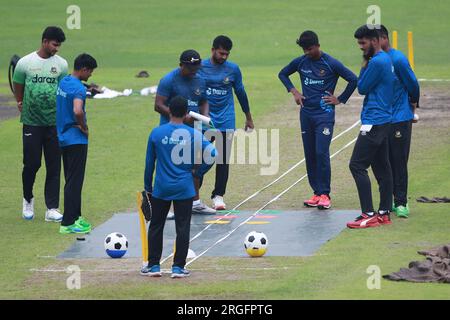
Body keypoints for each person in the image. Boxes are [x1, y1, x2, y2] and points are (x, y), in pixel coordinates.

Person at [278, 30, 357, 210]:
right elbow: (282, 74)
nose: (307, 53)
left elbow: (353, 79)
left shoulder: (330, 63)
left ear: (318, 46)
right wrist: (294, 91)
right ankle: (316, 192)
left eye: (310, 49)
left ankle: (325, 194)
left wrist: (340, 99)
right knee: (310, 153)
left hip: (324, 115)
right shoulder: (301, 62)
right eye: (305, 50)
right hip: (306, 114)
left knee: (321, 152)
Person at [141, 96, 216, 278]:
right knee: (182, 227)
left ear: (169, 111)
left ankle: (153, 266)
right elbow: (213, 152)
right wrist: (197, 173)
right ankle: (178, 268)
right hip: (184, 187)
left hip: (161, 187)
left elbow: (149, 164)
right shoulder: (193, 134)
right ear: (185, 114)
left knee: (156, 226)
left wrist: (147, 187)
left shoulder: (156, 133)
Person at [13, 26, 68, 221]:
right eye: (54, 44)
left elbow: (62, 90)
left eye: (59, 45)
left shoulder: (61, 65)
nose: (56, 49)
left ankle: (51, 208)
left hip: (53, 122)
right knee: (32, 164)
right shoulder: (25, 63)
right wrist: (20, 101)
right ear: (45, 41)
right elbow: (18, 83)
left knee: (54, 165)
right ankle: (28, 199)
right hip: (31, 122)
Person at [155, 49, 216, 215]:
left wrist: (205, 115)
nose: (193, 71)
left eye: (196, 68)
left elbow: (203, 101)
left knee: (201, 160)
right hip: (172, 131)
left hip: (194, 131)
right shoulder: (168, 80)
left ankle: (195, 202)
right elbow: (158, 105)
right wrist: (179, 117)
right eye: (190, 68)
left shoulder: (199, 80)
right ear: (181, 65)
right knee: (173, 167)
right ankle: (168, 207)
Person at [198, 35, 254, 210]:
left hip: (226, 119)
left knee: (223, 160)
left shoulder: (233, 69)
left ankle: (218, 196)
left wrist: (248, 117)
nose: (224, 57)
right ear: (213, 50)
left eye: (226, 54)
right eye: (221, 53)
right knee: (199, 159)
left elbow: (241, 93)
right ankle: (193, 197)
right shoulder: (200, 67)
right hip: (205, 119)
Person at [346, 25, 395, 229]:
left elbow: (362, 87)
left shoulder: (376, 62)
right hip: (383, 120)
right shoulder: (386, 59)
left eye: (363, 43)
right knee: (382, 166)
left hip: (374, 120)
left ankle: (368, 213)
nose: (360, 47)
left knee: (356, 165)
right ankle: (384, 213)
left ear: (374, 41)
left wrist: (365, 63)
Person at [379, 25, 420, 218]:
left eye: (375, 40)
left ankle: (401, 202)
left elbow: (413, 85)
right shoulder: (374, 60)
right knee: (382, 161)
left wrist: (412, 105)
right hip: (381, 118)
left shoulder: (398, 59)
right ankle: (387, 201)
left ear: (385, 39)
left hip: (400, 118)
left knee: (398, 160)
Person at [56, 53, 97, 234]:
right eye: (90, 72)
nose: (90, 75)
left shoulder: (64, 81)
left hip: (63, 136)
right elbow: (78, 110)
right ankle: (68, 223)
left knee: (71, 178)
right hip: (76, 138)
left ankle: (77, 216)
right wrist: (84, 126)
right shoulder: (78, 89)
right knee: (74, 181)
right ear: (84, 69)